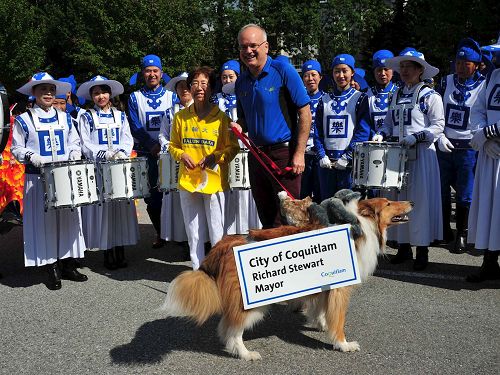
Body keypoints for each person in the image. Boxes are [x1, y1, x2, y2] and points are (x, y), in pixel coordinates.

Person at [11, 72, 87, 290]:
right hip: (37, 179)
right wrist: (31, 156)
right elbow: (17, 147)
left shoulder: (65, 117)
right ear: (33, 93)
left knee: (68, 220)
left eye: (51, 89)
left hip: (64, 176)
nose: (48, 93)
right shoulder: (24, 120)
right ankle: (50, 266)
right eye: (43, 89)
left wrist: (74, 153)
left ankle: (67, 263)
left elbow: (74, 142)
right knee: (44, 223)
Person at [234, 24, 312, 228]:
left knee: (287, 217)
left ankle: (294, 259)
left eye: (253, 45)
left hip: (284, 155)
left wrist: (299, 153)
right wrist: (238, 126)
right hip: (257, 156)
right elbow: (243, 120)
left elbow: (305, 113)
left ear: (266, 46)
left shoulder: (283, 70)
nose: (248, 51)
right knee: (266, 215)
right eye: (243, 47)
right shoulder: (241, 81)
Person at [373, 48, 444, 270]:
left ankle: (422, 249)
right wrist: (381, 134)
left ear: (420, 70)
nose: (404, 70)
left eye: (409, 67)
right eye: (402, 66)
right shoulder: (395, 94)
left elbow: (438, 125)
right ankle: (403, 246)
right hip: (397, 155)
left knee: (419, 201)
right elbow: (387, 123)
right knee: (397, 199)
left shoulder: (430, 96)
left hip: (421, 155)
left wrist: (418, 136)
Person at [169, 66, 239, 269]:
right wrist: (182, 155)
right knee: (194, 232)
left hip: (214, 182)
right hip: (188, 181)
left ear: (212, 89)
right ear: (189, 87)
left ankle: (217, 273)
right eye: (196, 83)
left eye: (205, 83)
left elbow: (232, 148)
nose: (200, 88)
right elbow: (172, 146)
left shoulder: (222, 117)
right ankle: (197, 272)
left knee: (216, 232)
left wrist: (216, 157)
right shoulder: (181, 117)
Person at [77, 75, 139, 269]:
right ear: (91, 96)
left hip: (118, 167)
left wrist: (121, 152)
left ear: (110, 94)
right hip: (99, 169)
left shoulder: (120, 115)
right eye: (96, 93)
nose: (100, 96)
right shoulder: (86, 117)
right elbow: (85, 143)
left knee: (120, 208)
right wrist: (103, 153)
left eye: (103, 92)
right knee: (103, 210)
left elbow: (127, 138)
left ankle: (120, 249)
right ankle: (107, 252)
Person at [436, 38, 485, 253]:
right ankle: (444, 229)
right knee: (441, 189)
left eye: (466, 64)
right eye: (458, 63)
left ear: (476, 65)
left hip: (469, 147)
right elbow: (437, 110)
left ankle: (462, 233)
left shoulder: (484, 83)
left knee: (465, 192)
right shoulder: (446, 81)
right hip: (446, 144)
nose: (461, 68)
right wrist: (439, 135)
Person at [128, 54, 174, 248]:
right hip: (147, 154)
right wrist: (150, 144)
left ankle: (177, 235)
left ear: (161, 73)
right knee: (152, 196)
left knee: (173, 194)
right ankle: (160, 232)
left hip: (169, 153)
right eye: (148, 71)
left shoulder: (172, 96)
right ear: (143, 73)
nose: (152, 74)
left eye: (155, 71)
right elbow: (134, 124)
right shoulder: (134, 98)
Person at [313, 54, 371, 200]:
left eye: (344, 71)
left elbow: (362, 131)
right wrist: (321, 155)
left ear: (352, 73)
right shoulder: (324, 100)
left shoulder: (360, 98)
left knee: (349, 210)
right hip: (327, 166)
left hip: (349, 166)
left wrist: (348, 156)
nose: (341, 75)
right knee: (327, 208)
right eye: (336, 71)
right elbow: (318, 131)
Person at [214, 60, 261, 234]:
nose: (227, 80)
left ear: (238, 77)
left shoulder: (246, 95)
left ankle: (250, 228)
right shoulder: (216, 99)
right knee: (230, 187)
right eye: (224, 77)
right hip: (226, 148)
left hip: (246, 146)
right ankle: (229, 230)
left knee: (247, 188)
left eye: (231, 76)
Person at [466, 67, 500, 282]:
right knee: (489, 208)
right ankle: (490, 262)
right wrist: (484, 138)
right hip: (492, 155)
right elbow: (477, 110)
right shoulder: (493, 76)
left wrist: (490, 132)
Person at [158, 72, 191, 245]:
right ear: (176, 90)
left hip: (196, 162)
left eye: (187, 86)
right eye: (180, 87)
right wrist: (170, 147)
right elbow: (163, 135)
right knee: (178, 200)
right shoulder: (169, 113)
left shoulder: (202, 109)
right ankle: (183, 239)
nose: (184, 90)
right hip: (175, 161)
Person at [300, 59, 323, 203]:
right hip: (303, 154)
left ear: (320, 77)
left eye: (313, 74)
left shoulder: (326, 99)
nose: (310, 79)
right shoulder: (299, 100)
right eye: (306, 75)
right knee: (304, 195)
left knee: (321, 195)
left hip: (319, 154)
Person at [366, 50, 398, 136]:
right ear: (374, 72)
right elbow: (365, 122)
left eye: (386, 69)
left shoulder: (399, 93)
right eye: (379, 70)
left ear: (393, 71)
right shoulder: (367, 95)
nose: (383, 73)